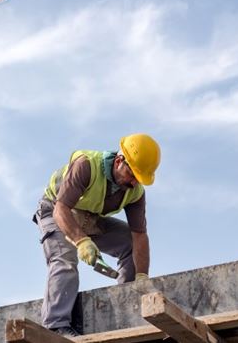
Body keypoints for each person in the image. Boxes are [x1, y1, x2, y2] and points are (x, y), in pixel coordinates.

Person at [32, 133, 161, 337]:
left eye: (139, 178)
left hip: (89, 217)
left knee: (128, 243)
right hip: (55, 209)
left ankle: (127, 305)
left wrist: (142, 276)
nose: (135, 182)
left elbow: (139, 236)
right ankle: (56, 326)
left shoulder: (135, 193)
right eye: (133, 175)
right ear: (119, 161)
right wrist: (81, 241)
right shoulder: (86, 166)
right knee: (64, 260)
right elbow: (61, 210)